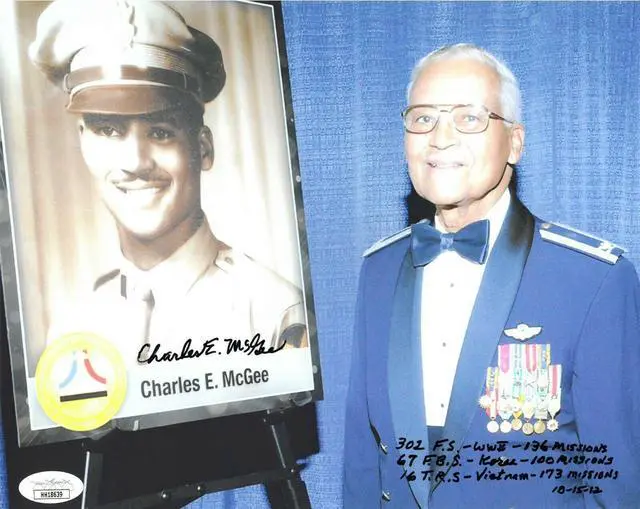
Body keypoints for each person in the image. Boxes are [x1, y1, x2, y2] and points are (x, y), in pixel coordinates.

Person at [344, 43, 640, 508]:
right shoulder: (379, 270)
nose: (440, 138)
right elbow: (363, 463)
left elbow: (618, 486)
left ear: (515, 143)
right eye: (423, 118)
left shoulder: (593, 282)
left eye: (469, 118)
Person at [28, 0, 306, 430]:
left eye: (160, 132)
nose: (135, 162)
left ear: (203, 148)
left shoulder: (273, 313)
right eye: (108, 129)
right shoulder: (73, 328)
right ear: (82, 141)